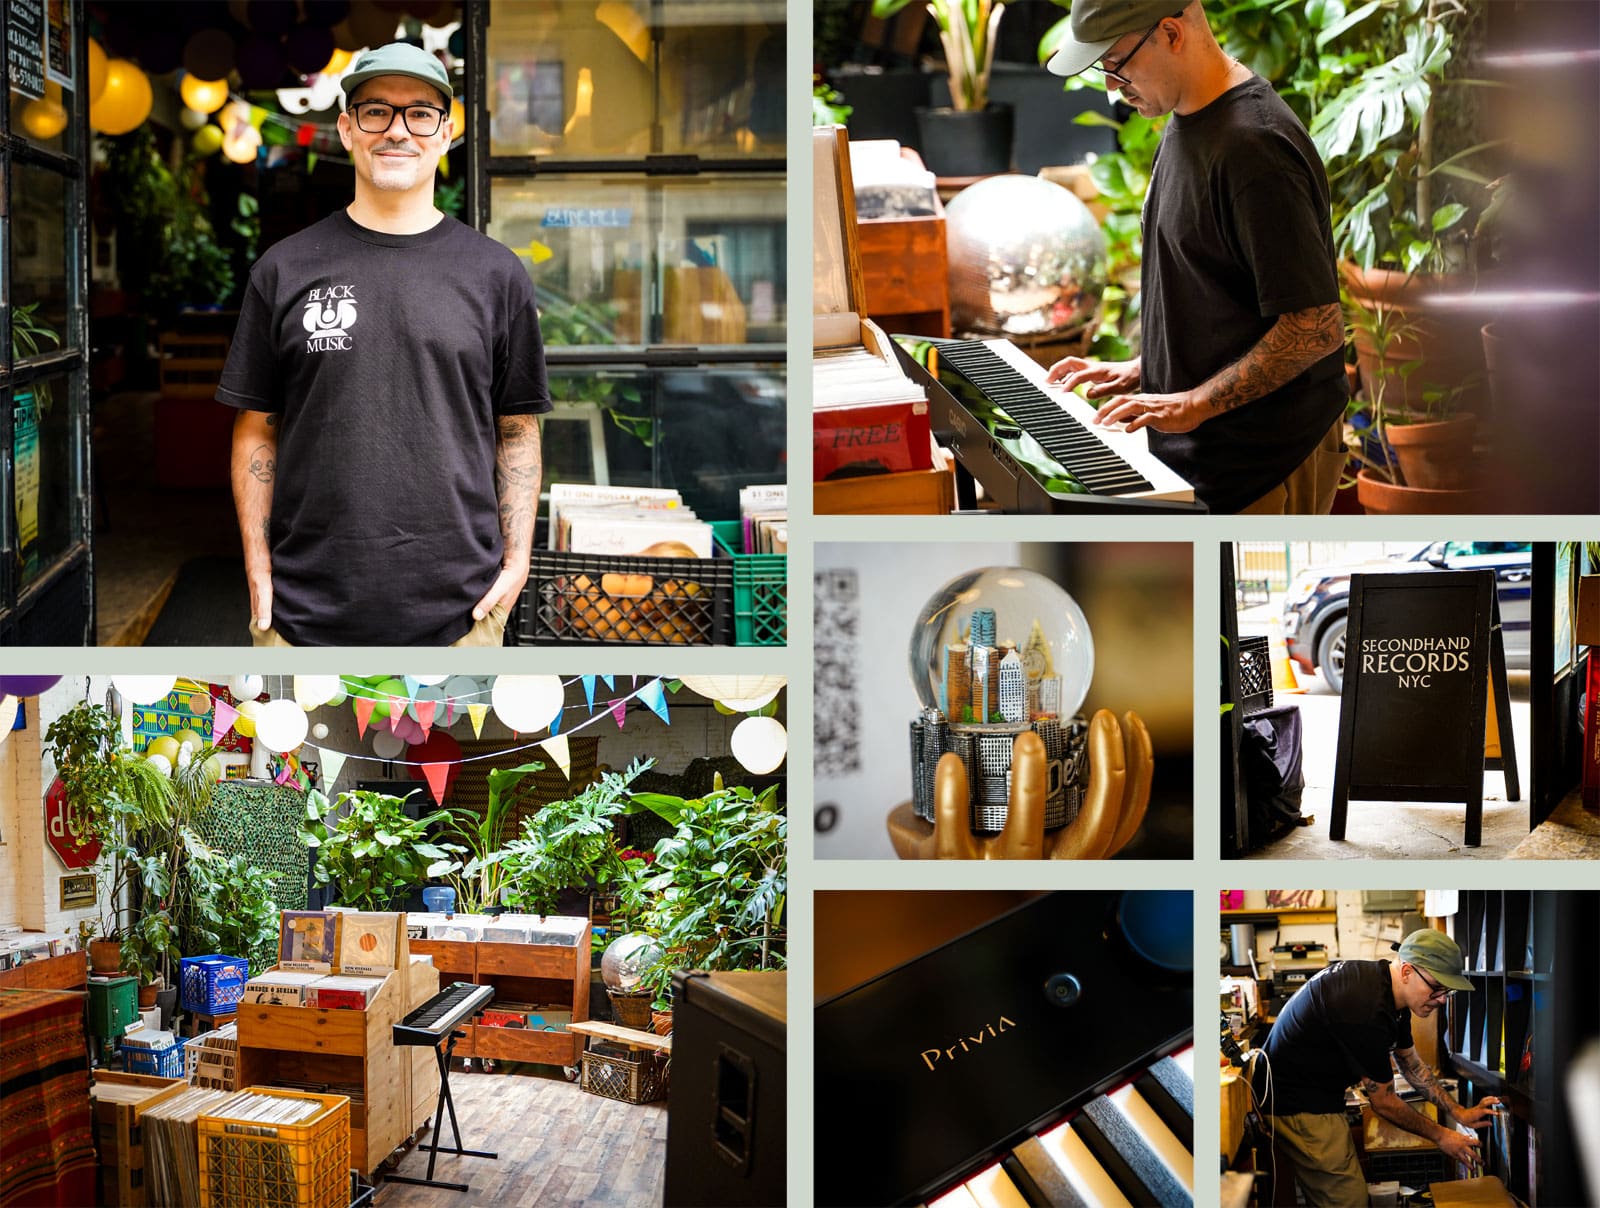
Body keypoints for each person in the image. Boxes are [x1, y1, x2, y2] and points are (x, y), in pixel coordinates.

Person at [218, 42, 548, 646]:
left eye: (420, 113)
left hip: (464, 616)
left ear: (446, 134)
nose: (398, 131)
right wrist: (257, 566)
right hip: (299, 617)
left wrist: (518, 561)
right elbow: (256, 426)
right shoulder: (283, 269)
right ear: (346, 129)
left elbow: (517, 428)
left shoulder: (496, 274)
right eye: (376, 112)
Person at [1045, 1, 1348, 514]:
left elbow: (1316, 326)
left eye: (1116, 64)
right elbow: (1219, 295)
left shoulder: (1254, 149)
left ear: (1170, 33)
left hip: (1263, 468)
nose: (1111, 87)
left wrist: (1194, 403)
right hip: (1204, 465)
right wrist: (1145, 369)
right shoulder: (1187, 116)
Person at [1258, 929, 1501, 1206]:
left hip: (1312, 1093)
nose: (1443, 999)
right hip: (1296, 1102)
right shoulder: (1368, 1008)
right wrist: (1442, 1136)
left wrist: (1458, 1112)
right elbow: (1383, 1103)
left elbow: (1409, 1062)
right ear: (1408, 971)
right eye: (1436, 987)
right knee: (1348, 1202)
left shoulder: (1389, 994)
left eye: (1448, 991)